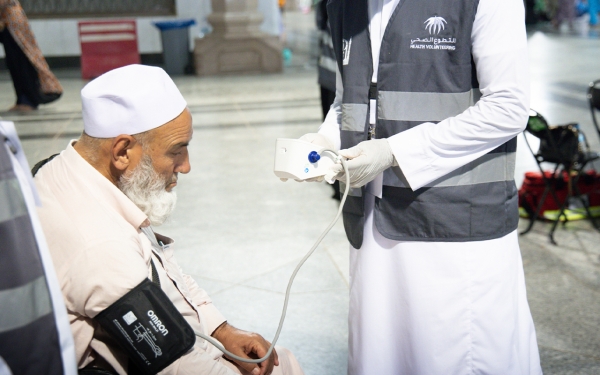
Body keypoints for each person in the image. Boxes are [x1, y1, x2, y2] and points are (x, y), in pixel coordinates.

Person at [299, 0, 542, 373]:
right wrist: (322, 143)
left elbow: (508, 107)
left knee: (454, 354)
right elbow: (350, 99)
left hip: (456, 225)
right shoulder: (345, 6)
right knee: (384, 353)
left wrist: (395, 151)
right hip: (373, 228)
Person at [34, 64, 304, 375]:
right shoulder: (98, 244)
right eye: (177, 151)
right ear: (122, 151)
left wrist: (221, 330)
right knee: (280, 365)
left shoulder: (72, 170)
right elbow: (175, 363)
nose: (186, 166)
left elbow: (160, 267)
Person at [0, 0, 62, 111]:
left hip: (14, 24)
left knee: (22, 63)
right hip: (6, 22)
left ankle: (29, 100)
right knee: (13, 65)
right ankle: (21, 99)